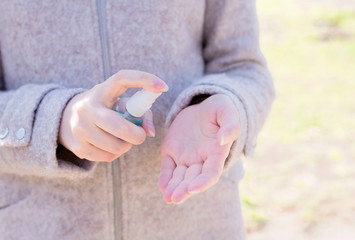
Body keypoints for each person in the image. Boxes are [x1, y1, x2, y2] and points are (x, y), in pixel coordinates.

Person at [0, 0, 274, 239]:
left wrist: (220, 100)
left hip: (199, 223)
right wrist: (54, 120)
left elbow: (244, 67)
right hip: (36, 225)